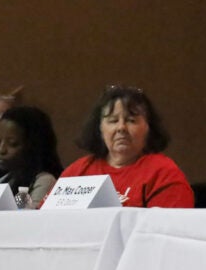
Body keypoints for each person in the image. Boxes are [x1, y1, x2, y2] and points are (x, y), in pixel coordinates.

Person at [59, 86, 194, 207]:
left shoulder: (163, 174)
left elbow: (167, 229)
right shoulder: (77, 172)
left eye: (131, 121)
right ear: (99, 129)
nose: (121, 128)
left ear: (148, 128)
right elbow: (46, 220)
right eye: (113, 121)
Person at [0, 106, 64, 208]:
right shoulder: (5, 180)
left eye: (13, 144)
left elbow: (26, 222)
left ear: (33, 146)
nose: (1, 150)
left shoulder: (44, 181)